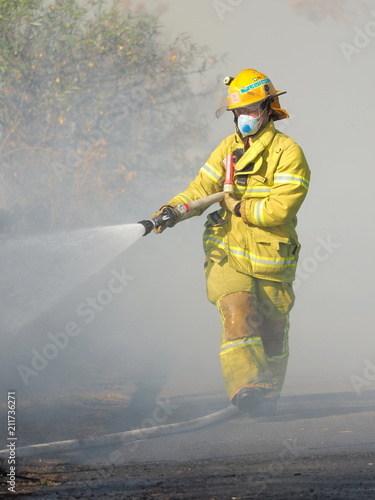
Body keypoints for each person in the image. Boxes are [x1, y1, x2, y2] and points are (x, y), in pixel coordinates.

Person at [151, 69, 311, 416]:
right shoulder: (226, 150)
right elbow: (201, 190)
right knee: (237, 311)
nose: (245, 118)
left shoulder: (288, 152)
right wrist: (172, 211)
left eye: (252, 109)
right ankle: (247, 386)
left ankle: (266, 398)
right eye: (239, 112)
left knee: (272, 332)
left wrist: (237, 205)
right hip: (227, 252)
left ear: (269, 107)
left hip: (271, 259)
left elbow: (279, 210)